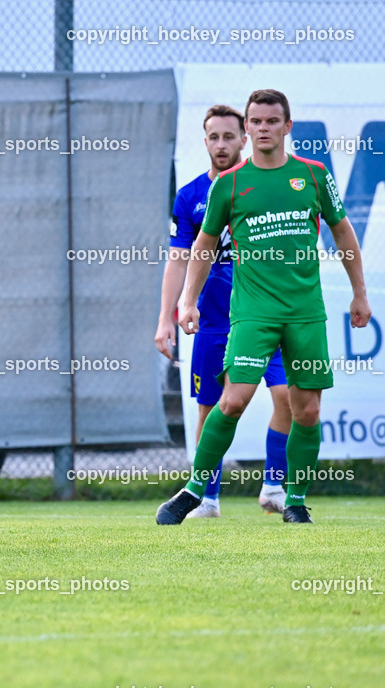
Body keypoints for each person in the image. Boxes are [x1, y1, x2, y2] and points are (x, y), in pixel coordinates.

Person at [157, 89, 371, 525]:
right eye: (256, 122)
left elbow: (344, 233)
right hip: (253, 313)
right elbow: (203, 245)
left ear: (287, 126)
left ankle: (294, 500)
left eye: (272, 121)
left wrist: (360, 292)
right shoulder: (229, 184)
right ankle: (196, 491)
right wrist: (188, 302)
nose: (263, 129)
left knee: (306, 408)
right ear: (248, 128)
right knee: (232, 400)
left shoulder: (312, 176)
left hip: (305, 312)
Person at [155, 104, 291, 518]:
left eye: (229, 136)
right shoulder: (191, 196)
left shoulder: (259, 187)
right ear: (205, 141)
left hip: (263, 314)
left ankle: (274, 485)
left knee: (286, 395)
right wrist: (168, 317)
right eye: (213, 137)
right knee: (210, 409)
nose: (221, 144)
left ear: (244, 139)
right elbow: (179, 259)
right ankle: (207, 497)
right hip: (214, 321)